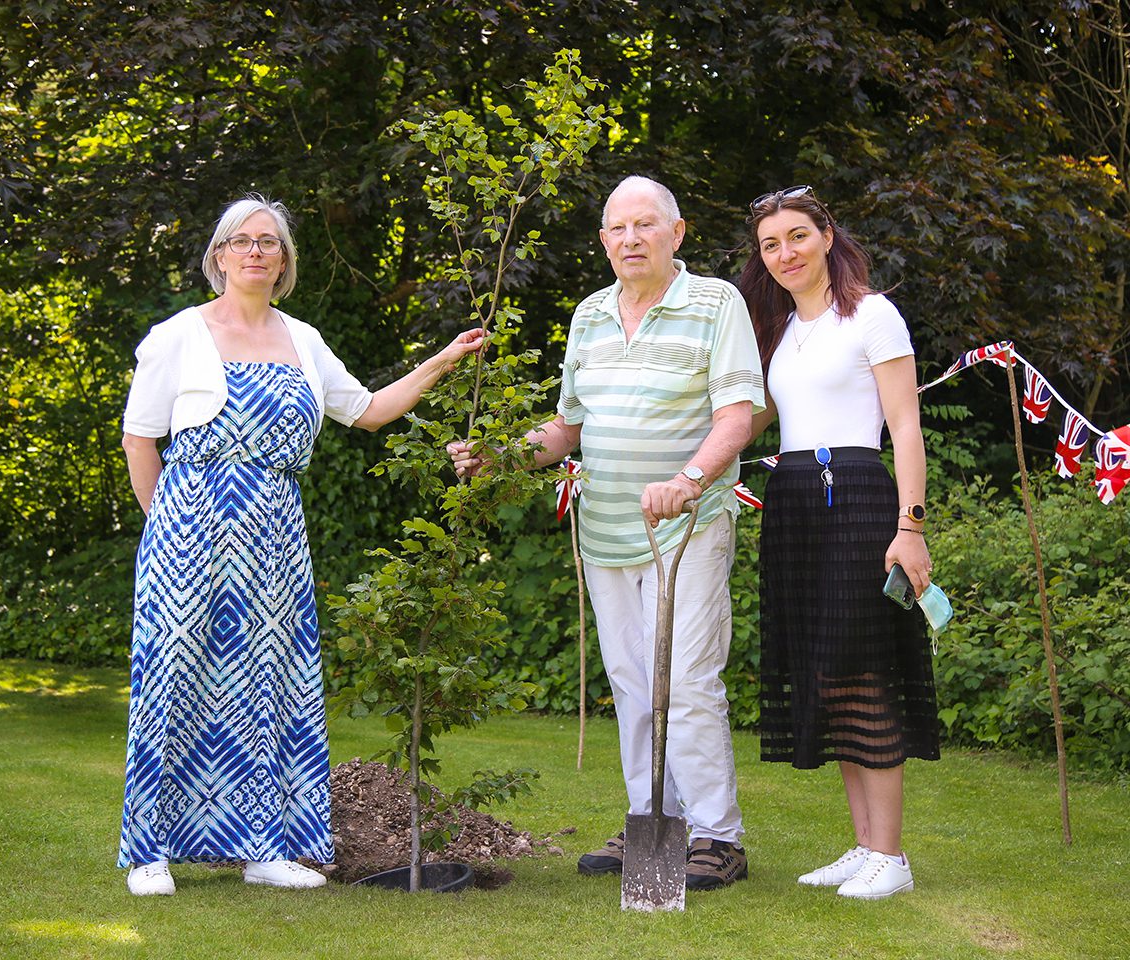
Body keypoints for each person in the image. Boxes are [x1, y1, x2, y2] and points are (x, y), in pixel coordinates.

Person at [118, 194, 484, 895]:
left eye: (270, 242)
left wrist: (440, 361)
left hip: (275, 534)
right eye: (242, 240)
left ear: (284, 260)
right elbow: (141, 438)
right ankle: (150, 853)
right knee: (173, 681)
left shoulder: (303, 339)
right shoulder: (178, 335)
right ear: (219, 256)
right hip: (188, 528)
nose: (256, 251)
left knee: (270, 685)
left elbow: (369, 411)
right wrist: (165, 527)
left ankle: (265, 848)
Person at [449, 175, 764, 891]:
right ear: (603, 241)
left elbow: (739, 412)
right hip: (607, 531)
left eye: (645, 225)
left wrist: (688, 480)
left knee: (685, 680)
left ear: (676, 234)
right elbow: (569, 427)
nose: (631, 239)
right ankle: (652, 820)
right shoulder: (590, 314)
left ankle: (718, 837)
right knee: (631, 682)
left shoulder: (716, 303)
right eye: (618, 229)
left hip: (687, 526)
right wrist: (498, 457)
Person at [739, 185, 940, 899]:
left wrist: (909, 527)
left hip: (854, 495)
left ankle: (892, 856)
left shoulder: (873, 314)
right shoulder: (780, 330)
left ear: (826, 234)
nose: (784, 252)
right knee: (826, 673)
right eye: (770, 244)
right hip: (792, 502)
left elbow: (906, 427)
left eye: (797, 236)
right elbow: (754, 421)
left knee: (861, 669)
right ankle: (864, 847)